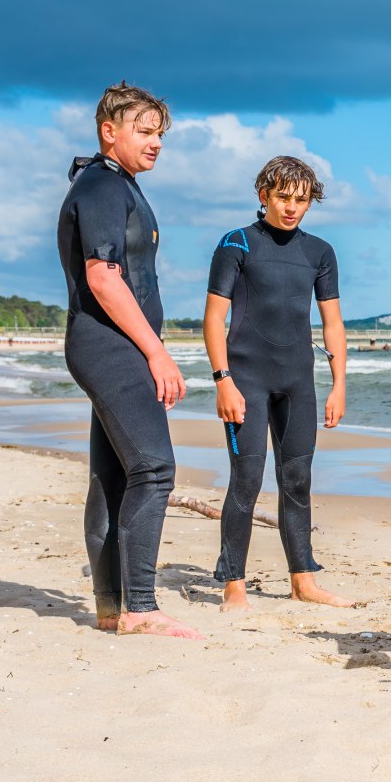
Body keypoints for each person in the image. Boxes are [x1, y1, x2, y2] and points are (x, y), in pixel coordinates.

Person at [55, 81, 199, 638]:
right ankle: (140, 606)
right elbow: (103, 275)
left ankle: (113, 607)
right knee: (154, 468)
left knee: (114, 476)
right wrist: (157, 352)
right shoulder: (102, 186)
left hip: (112, 345)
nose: (156, 142)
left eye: (160, 133)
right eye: (144, 131)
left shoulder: (117, 185)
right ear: (108, 131)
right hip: (108, 344)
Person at [204, 155, 352, 611]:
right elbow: (213, 318)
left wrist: (339, 384)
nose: (292, 207)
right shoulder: (236, 244)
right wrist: (223, 380)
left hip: (297, 382)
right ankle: (234, 585)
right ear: (263, 195)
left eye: (301, 199)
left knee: (298, 480)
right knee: (245, 480)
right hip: (245, 379)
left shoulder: (320, 252)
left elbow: (333, 324)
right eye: (283, 197)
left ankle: (303, 581)